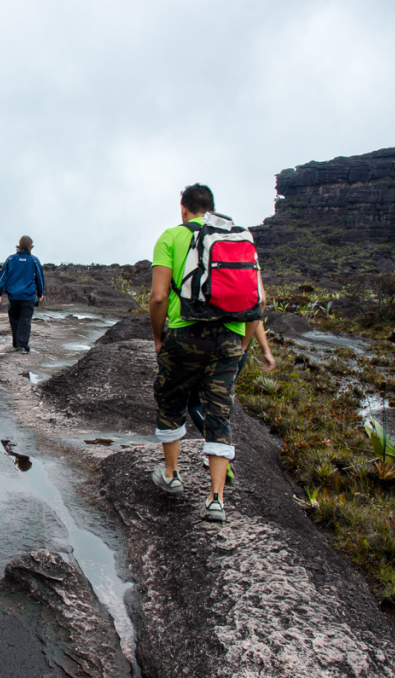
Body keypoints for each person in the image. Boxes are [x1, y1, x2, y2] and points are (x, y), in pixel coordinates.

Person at [149, 184, 259, 523]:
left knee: (172, 401)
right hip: (229, 337)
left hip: (184, 335)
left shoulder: (171, 236)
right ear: (211, 208)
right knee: (219, 414)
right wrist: (243, 344)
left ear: (183, 209)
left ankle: (171, 474)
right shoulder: (239, 239)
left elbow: (158, 297)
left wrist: (158, 338)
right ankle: (215, 500)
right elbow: (260, 301)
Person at [187, 319, 275, 486]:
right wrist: (265, 350)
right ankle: (218, 451)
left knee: (195, 403)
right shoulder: (248, 291)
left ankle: (220, 452)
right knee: (223, 399)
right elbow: (257, 309)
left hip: (207, 340)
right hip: (239, 345)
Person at [0, 236, 45, 354]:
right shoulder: (34, 260)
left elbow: (3, 276)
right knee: (25, 320)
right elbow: (40, 279)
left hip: (13, 296)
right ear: (30, 246)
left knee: (14, 319)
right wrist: (40, 293)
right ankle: (22, 345)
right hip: (28, 296)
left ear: (19, 245)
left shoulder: (11, 259)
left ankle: (16, 343)